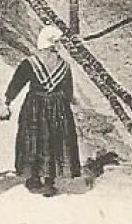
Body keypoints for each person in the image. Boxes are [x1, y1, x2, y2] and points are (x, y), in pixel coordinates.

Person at [6, 25, 83, 196]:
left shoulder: (30, 62)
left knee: (33, 139)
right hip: (58, 106)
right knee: (55, 140)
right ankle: (50, 181)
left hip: (35, 105)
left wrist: (8, 99)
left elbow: (17, 83)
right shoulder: (64, 65)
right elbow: (68, 93)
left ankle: (34, 179)